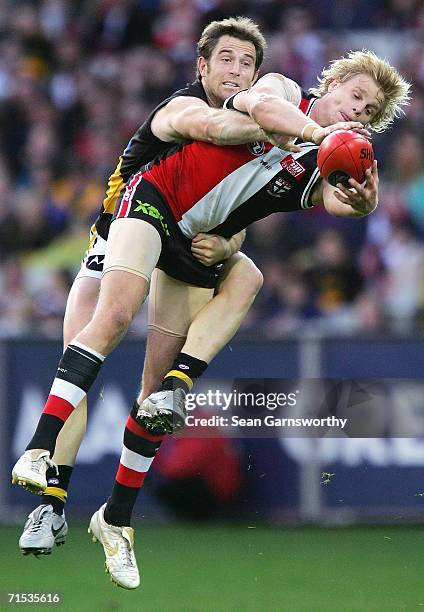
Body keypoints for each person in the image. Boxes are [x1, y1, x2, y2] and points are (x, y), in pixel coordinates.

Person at [14, 49, 410, 588]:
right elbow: (250, 109)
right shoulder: (274, 93)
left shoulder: (327, 158)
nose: (357, 112)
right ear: (333, 82)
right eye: (354, 96)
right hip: (141, 211)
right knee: (105, 325)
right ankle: (46, 476)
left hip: (187, 243)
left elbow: (343, 205)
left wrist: (365, 196)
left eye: (368, 112)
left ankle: (118, 515)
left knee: (161, 386)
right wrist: (318, 136)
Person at [15, 16, 269, 558]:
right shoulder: (182, 108)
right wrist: (294, 126)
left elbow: (237, 215)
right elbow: (212, 128)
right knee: (82, 352)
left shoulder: (255, 144)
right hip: (120, 237)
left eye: (248, 63)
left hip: (177, 257)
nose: (237, 70)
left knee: (158, 389)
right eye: (226, 58)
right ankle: (51, 503)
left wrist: (227, 247)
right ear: (201, 66)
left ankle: (115, 516)